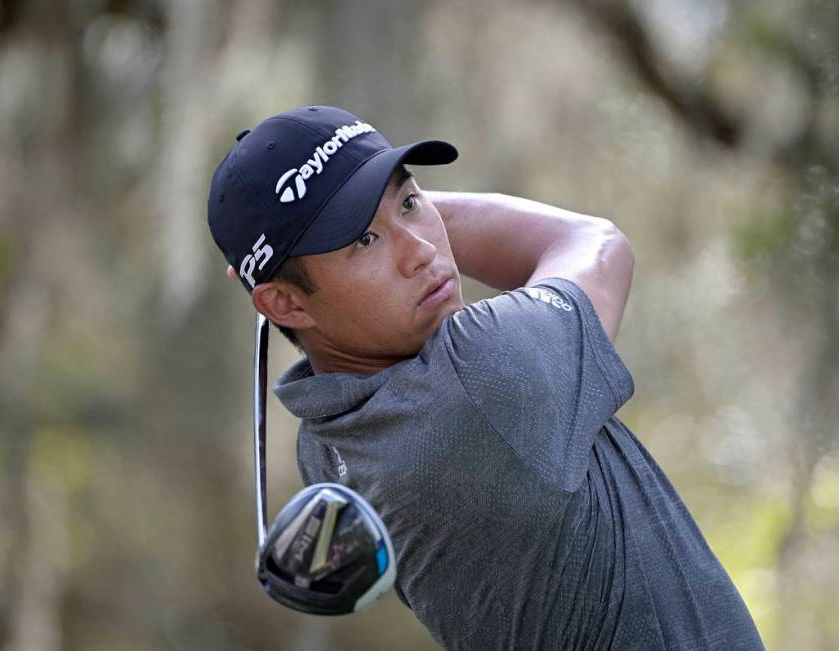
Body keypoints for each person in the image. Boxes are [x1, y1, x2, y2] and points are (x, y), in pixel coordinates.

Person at [207, 105, 764, 650]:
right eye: (364, 242)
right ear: (283, 304)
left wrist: (352, 221)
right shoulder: (481, 379)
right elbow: (594, 245)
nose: (422, 251)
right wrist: (388, 201)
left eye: (409, 201)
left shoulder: (325, 446)